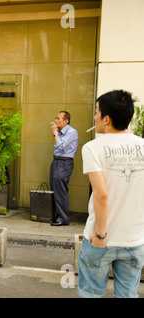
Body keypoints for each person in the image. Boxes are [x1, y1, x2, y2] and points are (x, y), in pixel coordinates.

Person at [78, 90, 144, 298]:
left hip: (101, 240)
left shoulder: (93, 148)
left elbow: (101, 194)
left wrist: (100, 235)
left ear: (106, 119)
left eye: (96, 112)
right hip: (134, 240)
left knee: (91, 294)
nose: (95, 117)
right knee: (128, 294)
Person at [50, 111, 79, 226]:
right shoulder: (61, 132)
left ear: (66, 121)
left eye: (58, 118)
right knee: (55, 189)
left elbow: (61, 146)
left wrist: (55, 133)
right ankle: (58, 215)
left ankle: (63, 218)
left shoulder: (71, 132)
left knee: (61, 191)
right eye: (55, 118)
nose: (55, 121)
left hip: (64, 163)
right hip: (56, 161)